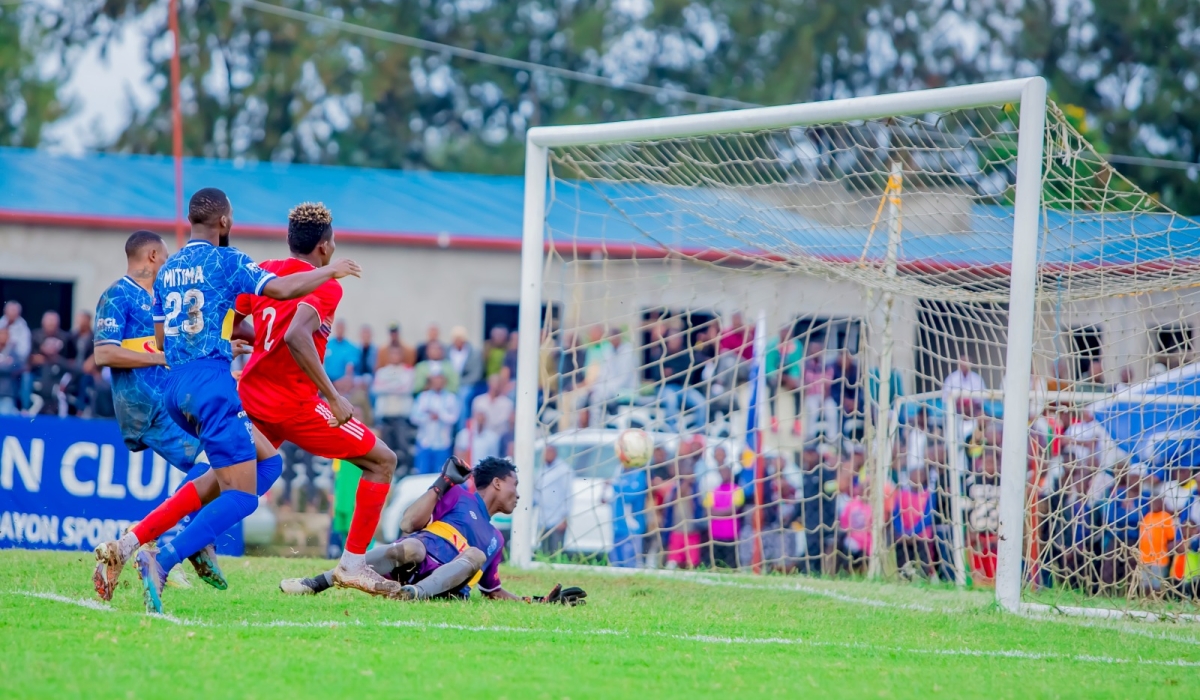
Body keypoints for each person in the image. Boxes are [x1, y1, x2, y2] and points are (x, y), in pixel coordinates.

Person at [132, 188, 362, 613]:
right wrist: (332, 274)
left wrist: (225, 341)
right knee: (243, 496)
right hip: (214, 389)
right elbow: (279, 291)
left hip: (173, 391)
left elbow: (164, 339)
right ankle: (162, 559)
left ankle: (151, 540)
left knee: (263, 464)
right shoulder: (229, 259)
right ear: (223, 222)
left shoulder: (167, 270)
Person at [233, 202, 400, 597]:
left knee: (233, 475)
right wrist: (335, 396)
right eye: (334, 240)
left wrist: (252, 340)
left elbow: (237, 319)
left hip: (252, 393)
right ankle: (354, 564)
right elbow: (295, 335)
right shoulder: (326, 282)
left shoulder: (266, 269)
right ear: (325, 247)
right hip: (295, 403)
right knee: (383, 461)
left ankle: (172, 539)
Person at [88, 231, 228, 601]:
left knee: (221, 461)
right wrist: (161, 358)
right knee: (221, 459)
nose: (169, 264)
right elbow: (104, 354)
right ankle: (165, 543)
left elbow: (176, 342)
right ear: (151, 255)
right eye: (165, 257)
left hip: (169, 401)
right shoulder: (117, 294)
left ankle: (155, 544)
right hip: (145, 406)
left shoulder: (159, 298)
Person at [281, 457, 584, 604]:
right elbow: (407, 524)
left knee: (475, 553)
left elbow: (492, 591)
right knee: (412, 546)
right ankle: (317, 581)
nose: (518, 495)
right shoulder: (458, 495)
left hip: (444, 587)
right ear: (498, 483)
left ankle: (414, 595)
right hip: (411, 562)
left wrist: (538, 603)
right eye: (515, 486)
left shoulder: (495, 540)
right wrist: (442, 482)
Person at [411, 366, 460, 474]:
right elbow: (414, 417)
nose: (437, 381)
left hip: (443, 443)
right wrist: (428, 417)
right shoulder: (423, 397)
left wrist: (440, 415)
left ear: (444, 380)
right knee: (422, 474)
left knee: (440, 474)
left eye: (440, 378)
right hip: (425, 442)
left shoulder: (451, 398)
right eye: (435, 378)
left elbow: (454, 418)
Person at [372, 345, 416, 465]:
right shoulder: (382, 371)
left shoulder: (408, 371)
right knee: (386, 446)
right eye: (392, 354)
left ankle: (404, 470)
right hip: (386, 415)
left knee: (403, 445)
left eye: (397, 354)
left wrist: (388, 385)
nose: (395, 356)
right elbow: (377, 388)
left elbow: (406, 388)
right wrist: (396, 385)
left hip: (401, 415)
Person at [534, 444, 573, 555]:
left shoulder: (564, 470)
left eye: (549, 452)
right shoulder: (541, 469)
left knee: (556, 551)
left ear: (555, 452)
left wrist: (564, 518)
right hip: (543, 519)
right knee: (543, 550)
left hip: (557, 519)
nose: (547, 455)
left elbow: (568, 495)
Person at [703, 461, 744, 569]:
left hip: (731, 535)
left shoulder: (737, 490)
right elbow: (707, 511)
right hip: (715, 535)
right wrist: (724, 512)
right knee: (714, 564)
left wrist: (717, 513)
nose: (724, 474)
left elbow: (734, 509)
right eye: (721, 472)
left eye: (726, 471)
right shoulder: (713, 491)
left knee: (731, 565)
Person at [29, 335, 78, 416]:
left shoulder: (62, 363)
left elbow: (73, 373)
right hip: (39, 395)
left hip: (55, 395)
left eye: (51, 346)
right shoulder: (39, 362)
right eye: (47, 345)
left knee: (60, 397)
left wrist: (63, 384)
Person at [1138, 491, 1176, 594]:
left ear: (1161, 502)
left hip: (1160, 558)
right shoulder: (1146, 517)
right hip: (1144, 558)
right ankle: (1146, 604)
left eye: (1156, 502)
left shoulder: (1166, 517)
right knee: (1145, 585)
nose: (1153, 504)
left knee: (1157, 585)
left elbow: (1171, 537)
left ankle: (1157, 604)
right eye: (1151, 502)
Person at [472, 373, 514, 460]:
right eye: (494, 383)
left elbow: (503, 423)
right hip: (482, 439)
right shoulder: (478, 401)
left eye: (498, 384)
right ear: (489, 384)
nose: (496, 386)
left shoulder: (507, 403)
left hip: (500, 440)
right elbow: (474, 421)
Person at [323, 319, 357, 383]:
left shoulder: (350, 348)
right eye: (338, 327)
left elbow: (350, 367)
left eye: (341, 328)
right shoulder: (328, 344)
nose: (340, 330)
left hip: (341, 380)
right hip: (327, 378)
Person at [0, 327, 20, 415]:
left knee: (5, 424)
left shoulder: (13, 353)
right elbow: (6, 367)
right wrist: (4, 363)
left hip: (7, 394)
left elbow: (13, 367)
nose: (2, 337)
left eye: (5, 335)